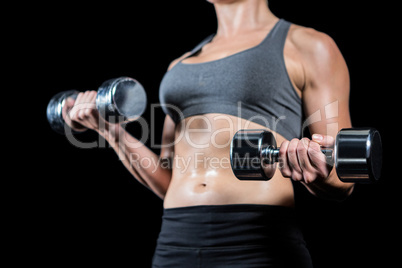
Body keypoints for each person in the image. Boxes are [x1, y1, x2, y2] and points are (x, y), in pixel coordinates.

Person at [63, 0, 354, 267]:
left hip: (257, 239)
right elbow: (167, 178)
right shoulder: (178, 65)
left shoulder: (309, 45)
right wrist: (112, 132)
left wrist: (316, 173)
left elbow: (344, 176)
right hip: (176, 238)